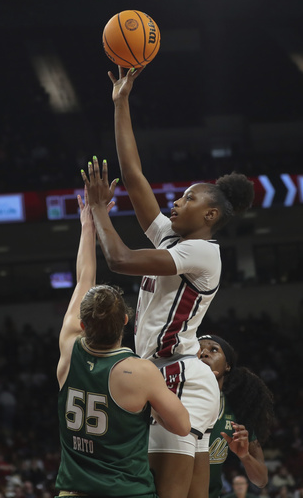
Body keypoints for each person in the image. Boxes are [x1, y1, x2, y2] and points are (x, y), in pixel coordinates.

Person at [80, 63, 255, 498]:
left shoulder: (201, 252)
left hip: (175, 373)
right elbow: (135, 175)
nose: (176, 203)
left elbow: (119, 259)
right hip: (173, 374)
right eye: (178, 197)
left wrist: (100, 210)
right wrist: (121, 103)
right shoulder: (175, 238)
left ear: (210, 215)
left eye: (188, 199)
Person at [55, 190, 191, 498]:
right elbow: (183, 426)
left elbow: (83, 279)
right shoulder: (139, 372)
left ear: (82, 324)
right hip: (126, 492)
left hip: (74, 491)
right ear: (127, 322)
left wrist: (87, 225)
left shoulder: (68, 345)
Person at [198, 334, 275, 498]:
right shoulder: (170, 398)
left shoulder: (236, 409)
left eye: (213, 349)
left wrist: (245, 456)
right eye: (197, 350)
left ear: (227, 366)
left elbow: (261, 480)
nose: (204, 353)